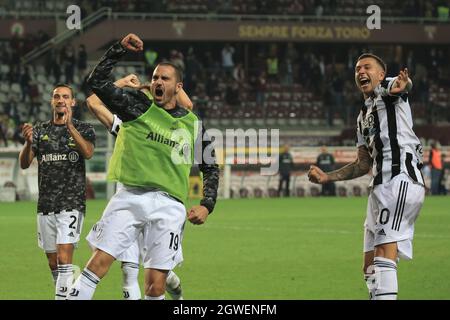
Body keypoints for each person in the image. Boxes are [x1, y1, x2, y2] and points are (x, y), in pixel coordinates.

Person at [67, 33, 219, 300]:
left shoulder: (192, 124)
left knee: (155, 286)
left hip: (170, 205)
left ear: (178, 86)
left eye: (165, 78)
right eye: (155, 77)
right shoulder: (136, 106)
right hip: (130, 197)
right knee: (97, 265)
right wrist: (118, 50)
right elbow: (96, 84)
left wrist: (207, 204)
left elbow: (211, 166)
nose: (157, 81)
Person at [308, 53, 425, 300]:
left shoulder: (388, 89)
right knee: (369, 265)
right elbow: (363, 164)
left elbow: (401, 86)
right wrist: (328, 178)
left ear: (381, 74)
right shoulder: (362, 117)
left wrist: (404, 84)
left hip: (400, 179)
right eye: (357, 68)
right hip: (378, 189)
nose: (361, 71)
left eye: (367, 67)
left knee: (384, 252)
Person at [85, 73, 193, 300]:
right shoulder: (124, 125)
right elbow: (93, 101)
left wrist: (152, 86)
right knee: (129, 269)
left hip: (160, 203)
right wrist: (121, 83)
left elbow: (188, 105)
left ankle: (177, 293)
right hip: (130, 203)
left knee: (160, 275)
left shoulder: (169, 127)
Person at [18, 83, 96, 299]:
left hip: (71, 204)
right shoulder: (40, 130)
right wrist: (27, 143)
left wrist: (70, 126)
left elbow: (88, 152)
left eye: (65, 96)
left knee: (63, 258)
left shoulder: (83, 128)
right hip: (46, 206)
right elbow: (25, 163)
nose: (60, 99)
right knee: (53, 262)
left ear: (72, 102)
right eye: (56, 96)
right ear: (52, 101)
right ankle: (69, 288)